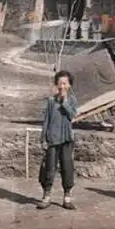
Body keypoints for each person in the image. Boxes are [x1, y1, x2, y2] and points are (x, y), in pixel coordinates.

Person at [37, 70, 79, 210]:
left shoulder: (72, 100)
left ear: (69, 85)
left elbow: (73, 115)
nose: (62, 86)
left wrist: (65, 101)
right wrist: (43, 138)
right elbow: (46, 121)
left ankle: (67, 198)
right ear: (56, 85)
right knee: (49, 169)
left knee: (67, 168)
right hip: (52, 139)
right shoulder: (51, 101)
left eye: (65, 83)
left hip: (66, 140)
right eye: (60, 83)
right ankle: (46, 196)